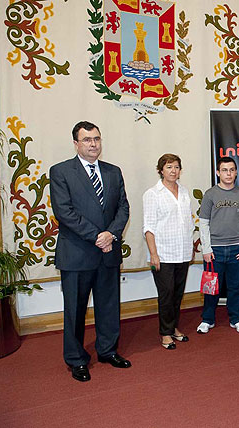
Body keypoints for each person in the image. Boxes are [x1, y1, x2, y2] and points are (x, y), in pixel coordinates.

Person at [50, 121, 131, 382]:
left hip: (108, 252)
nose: (93, 144)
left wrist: (111, 234)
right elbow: (64, 213)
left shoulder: (113, 171)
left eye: (96, 139)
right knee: (75, 310)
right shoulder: (61, 172)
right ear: (76, 143)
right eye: (87, 140)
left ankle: (107, 350)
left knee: (109, 307)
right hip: (77, 253)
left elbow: (123, 208)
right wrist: (97, 236)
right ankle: (76, 359)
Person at [197, 156, 239, 334]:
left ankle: (236, 318)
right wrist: (206, 249)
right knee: (211, 287)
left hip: (237, 249)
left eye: (231, 170)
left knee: (235, 286)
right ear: (218, 173)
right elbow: (203, 222)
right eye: (224, 170)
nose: (228, 173)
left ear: (236, 173)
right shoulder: (210, 194)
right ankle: (207, 319)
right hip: (214, 251)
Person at [143, 154, 194, 350]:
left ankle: (173, 328)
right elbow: (148, 227)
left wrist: (190, 248)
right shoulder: (152, 194)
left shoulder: (184, 192)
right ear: (161, 170)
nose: (173, 170)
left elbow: (188, 224)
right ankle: (165, 333)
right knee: (166, 293)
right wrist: (153, 254)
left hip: (182, 251)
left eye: (177, 167)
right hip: (163, 253)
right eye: (169, 167)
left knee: (177, 294)